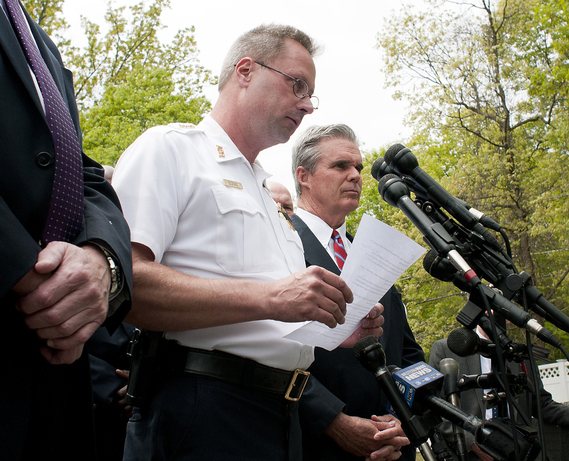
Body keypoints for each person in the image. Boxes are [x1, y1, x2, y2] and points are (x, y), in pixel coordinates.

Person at [112, 24, 383, 460]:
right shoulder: (172, 149)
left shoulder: (270, 195)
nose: (308, 104)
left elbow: (269, 319)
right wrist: (272, 297)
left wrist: (334, 329)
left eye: (311, 93)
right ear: (244, 70)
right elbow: (125, 285)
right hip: (202, 410)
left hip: (284, 419)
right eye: (297, 84)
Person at [0, 1, 133, 460]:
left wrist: (102, 260)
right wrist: (34, 274)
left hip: (54, 377)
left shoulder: (38, 42)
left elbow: (83, 174)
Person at [290, 124, 426, 461]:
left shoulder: (372, 252)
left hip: (392, 447)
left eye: (359, 168)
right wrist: (334, 421)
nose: (355, 175)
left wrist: (401, 419)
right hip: (316, 445)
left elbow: (408, 356)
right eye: (341, 166)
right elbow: (267, 352)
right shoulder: (281, 244)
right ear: (304, 176)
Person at [429, 326, 569, 461]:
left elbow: (541, 404)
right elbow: (435, 409)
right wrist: (472, 443)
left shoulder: (520, 356)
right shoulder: (446, 349)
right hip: (467, 454)